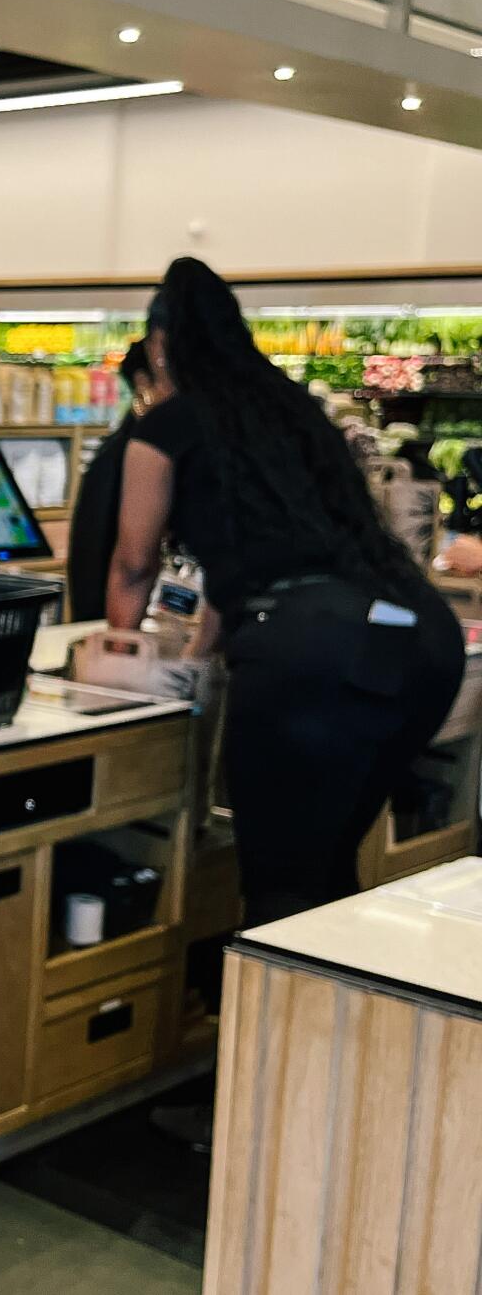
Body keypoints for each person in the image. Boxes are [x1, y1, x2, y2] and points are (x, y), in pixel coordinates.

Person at [108, 257, 464, 927]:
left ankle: (268, 1030)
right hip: (420, 635)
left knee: (279, 885)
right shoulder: (295, 414)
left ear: (160, 347)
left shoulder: (166, 425)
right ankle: (331, 1025)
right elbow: (245, 563)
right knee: (325, 866)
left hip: (313, 651)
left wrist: (119, 665)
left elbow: (133, 563)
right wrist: (204, 654)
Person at [66, 341, 168, 621]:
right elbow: (132, 560)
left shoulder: (120, 447)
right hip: (118, 612)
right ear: (142, 382)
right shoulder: (140, 450)